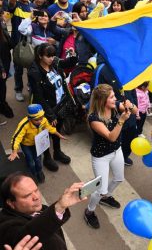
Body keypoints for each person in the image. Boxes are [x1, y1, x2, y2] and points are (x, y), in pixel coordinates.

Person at [83, 84, 131, 229]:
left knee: (119, 178)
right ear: (103, 100)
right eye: (111, 97)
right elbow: (111, 137)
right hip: (101, 157)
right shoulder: (94, 118)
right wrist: (122, 120)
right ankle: (89, 211)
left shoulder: (115, 106)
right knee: (99, 190)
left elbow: (134, 110)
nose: (115, 99)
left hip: (116, 151)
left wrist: (130, 105)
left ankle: (106, 197)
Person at [0, 171, 86, 249]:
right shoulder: (6, 227)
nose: (36, 197)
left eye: (36, 190)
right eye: (27, 196)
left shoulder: (39, 208)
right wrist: (59, 206)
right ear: (11, 203)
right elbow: (30, 232)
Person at [28, 43, 77, 172]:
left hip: (60, 104)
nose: (52, 58)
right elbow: (39, 96)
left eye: (53, 55)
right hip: (47, 108)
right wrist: (49, 114)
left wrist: (72, 56)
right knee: (45, 134)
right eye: (48, 56)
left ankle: (57, 152)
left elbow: (68, 64)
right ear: (40, 56)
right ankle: (47, 157)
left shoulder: (54, 63)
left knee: (57, 129)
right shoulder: (34, 72)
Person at [8, 104, 66, 183]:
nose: (40, 121)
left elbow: (48, 127)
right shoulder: (24, 124)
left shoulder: (43, 120)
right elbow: (16, 137)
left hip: (36, 143)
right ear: (30, 118)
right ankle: (33, 174)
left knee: (38, 160)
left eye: (41, 118)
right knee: (31, 161)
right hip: (26, 145)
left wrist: (58, 134)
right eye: (36, 119)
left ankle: (39, 171)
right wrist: (14, 151)